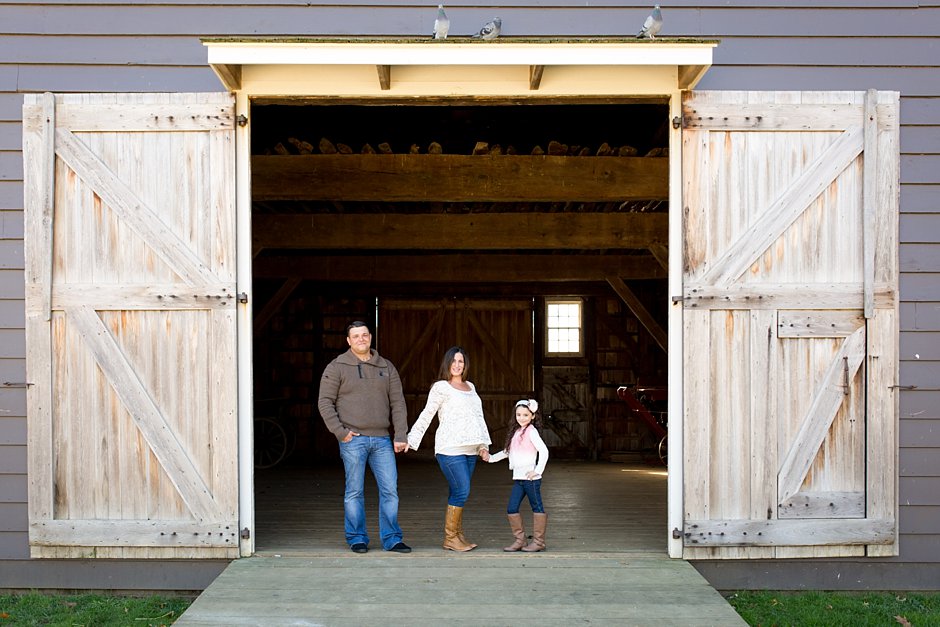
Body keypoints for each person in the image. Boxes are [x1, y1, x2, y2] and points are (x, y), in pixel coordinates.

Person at [317, 320, 411, 554]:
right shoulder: (336, 367)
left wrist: (400, 434)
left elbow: (398, 402)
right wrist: (341, 432)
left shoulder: (386, 367)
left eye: (365, 335)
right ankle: (357, 538)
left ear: (370, 337)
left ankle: (392, 539)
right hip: (353, 439)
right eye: (356, 336)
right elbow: (325, 403)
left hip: (382, 440)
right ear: (348, 341)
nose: (361, 339)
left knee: (390, 490)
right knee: (354, 491)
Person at [407, 346, 491, 552]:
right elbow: (427, 414)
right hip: (450, 448)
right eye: (453, 361)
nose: (457, 365)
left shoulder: (471, 387)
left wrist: (483, 445)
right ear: (447, 364)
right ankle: (450, 537)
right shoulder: (441, 387)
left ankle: (457, 535)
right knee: (462, 490)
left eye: (460, 361)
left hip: (471, 450)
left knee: (458, 491)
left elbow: (478, 418)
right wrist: (412, 438)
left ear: (465, 364)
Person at [482, 398, 549, 552]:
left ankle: (539, 542)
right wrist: (491, 458)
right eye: (518, 415)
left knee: (537, 507)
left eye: (525, 415)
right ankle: (520, 540)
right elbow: (508, 452)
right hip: (518, 479)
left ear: (532, 416)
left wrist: (537, 471)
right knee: (512, 508)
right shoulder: (516, 432)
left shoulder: (532, 432)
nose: (521, 418)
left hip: (531, 479)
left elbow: (544, 451)